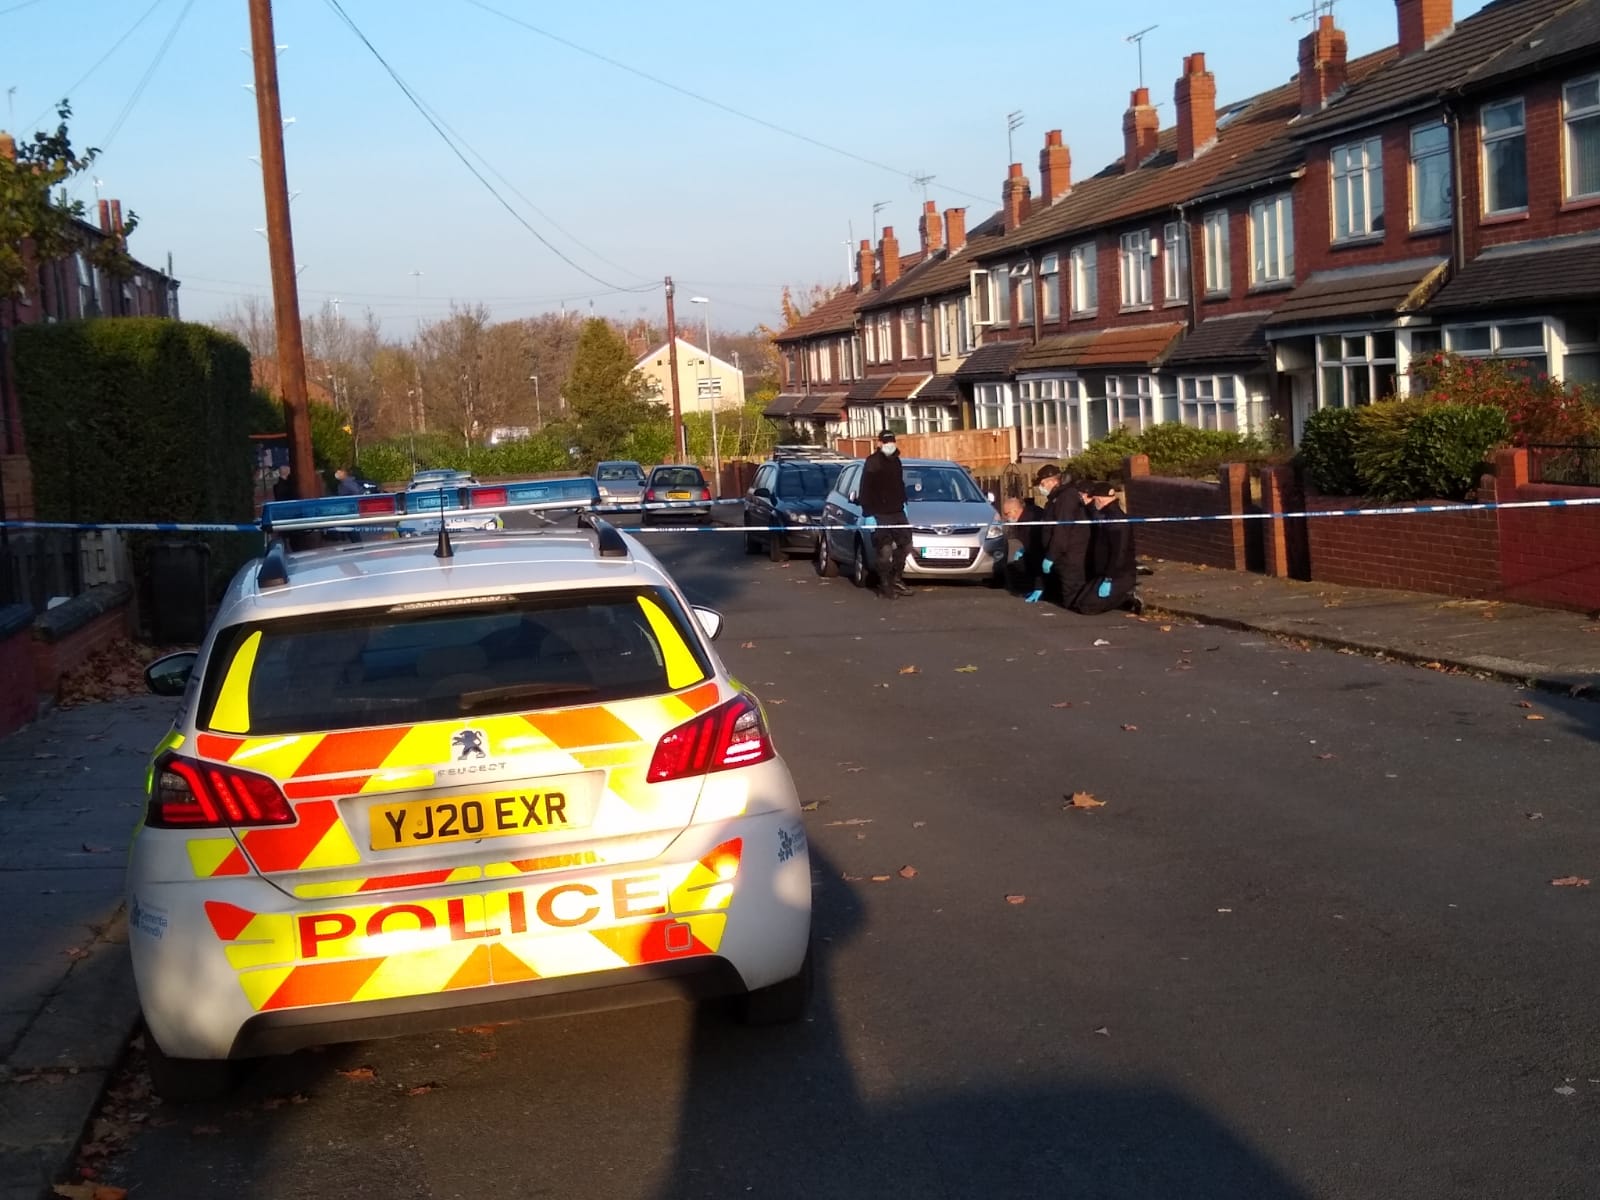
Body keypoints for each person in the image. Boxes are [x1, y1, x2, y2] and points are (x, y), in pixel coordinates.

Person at [1071, 481, 1144, 615]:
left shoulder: (1117, 521)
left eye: (1094, 499)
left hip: (1118, 575)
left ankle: (1127, 597)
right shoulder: (1105, 515)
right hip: (1104, 572)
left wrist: (1109, 578)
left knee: (1088, 607)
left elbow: (1119, 553)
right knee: (1078, 602)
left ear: (1099, 499)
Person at [858, 430, 912, 600]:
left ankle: (896, 579)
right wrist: (868, 513)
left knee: (907, 546)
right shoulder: (872, 462)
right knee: (885, 550)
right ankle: (884, 584)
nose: (890, 444)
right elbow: (865, 488)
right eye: (886, 441)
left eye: (892, 441)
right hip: (879, 513)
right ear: (880, 443)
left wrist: (904, 503)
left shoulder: (897, 461)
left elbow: (899, 484)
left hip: (897, 512)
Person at [1031, 464, 1091, 605]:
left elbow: (1062, 529)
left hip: (1070, 555)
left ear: (1053, 481)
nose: (1041, 487)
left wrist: (1052, 555)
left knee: (1073, 599)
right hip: (1062, 556)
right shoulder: (1055, 499)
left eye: (1043, 483)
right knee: (1062, 596)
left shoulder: (1066, 497)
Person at [1001, 494, 1046, 597]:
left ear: (1015, 511)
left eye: (1006, 513)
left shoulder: (1027, 523)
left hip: (1043, 553)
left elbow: (1036, 553)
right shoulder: (1025, 518)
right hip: (1037, 551)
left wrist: (1039, 586)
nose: (1006, 517)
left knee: (1019, 566)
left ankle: (1035, 589)